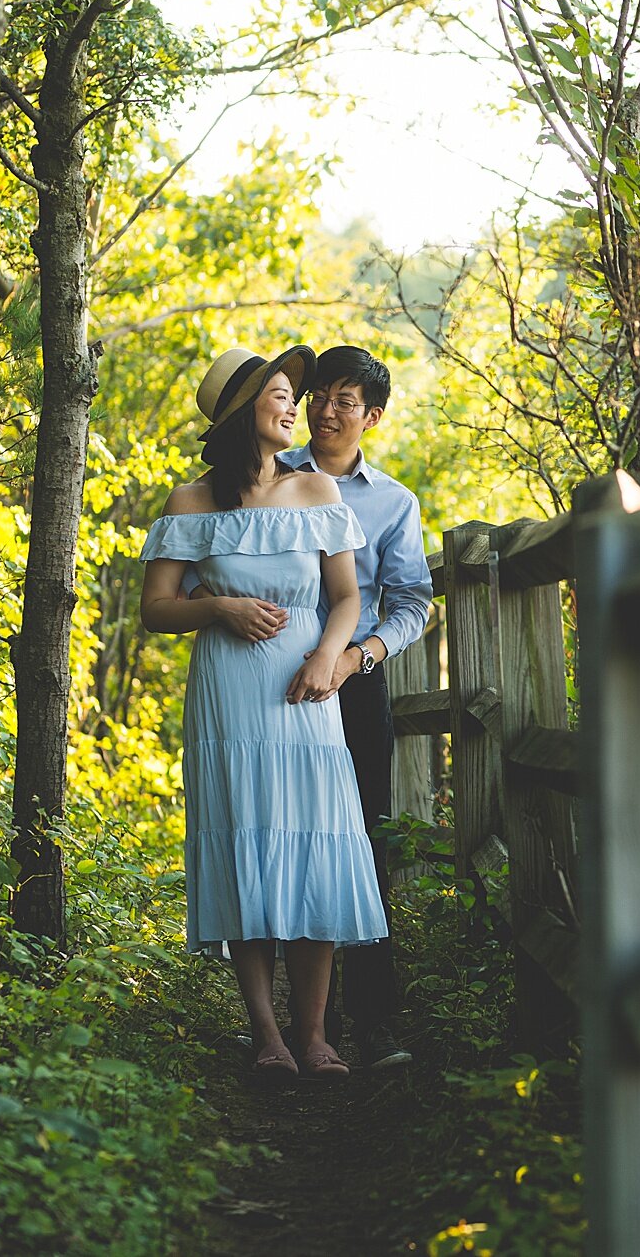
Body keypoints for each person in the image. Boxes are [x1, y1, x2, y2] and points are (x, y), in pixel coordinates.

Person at [138, 344, 389, 1082]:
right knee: (244, 843)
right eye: (281, 395)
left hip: (305, 696)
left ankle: (315, 1036)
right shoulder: (191, 502)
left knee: (315, 841)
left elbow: (346, 598)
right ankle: (267, 1034)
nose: (296, 407)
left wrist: (327, 658)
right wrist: (215, 606)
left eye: (294, 395)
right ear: (244, 411)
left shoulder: (316, 492)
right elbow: (155, 609)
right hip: (230, 698)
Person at [270, 344, 433, 1072]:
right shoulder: (273, 476)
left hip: (356, 682)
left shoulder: (394, 502)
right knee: (289, 834)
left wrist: (358, 655)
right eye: (320, 396)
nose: (326, 411)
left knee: (362, 843)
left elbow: (412, 602)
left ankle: (373, 1020)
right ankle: (306, 1025)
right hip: (277, 677)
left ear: (372, 416)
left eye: (345, 401)